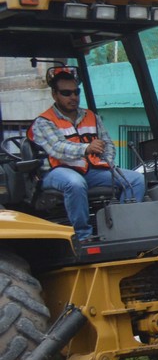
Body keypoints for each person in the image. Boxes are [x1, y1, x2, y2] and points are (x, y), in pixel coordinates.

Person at [30, 67, 146, 241]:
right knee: (75, 183)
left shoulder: (91, 116)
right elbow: (57, 149)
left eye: (76, 92)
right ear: (55, 94)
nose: (73, 97)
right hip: (57, 171)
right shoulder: (44, 121)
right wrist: (86, 148)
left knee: (136, 180)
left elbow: (107, 144)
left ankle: (122, 230)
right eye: (66, 93)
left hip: (90, 170)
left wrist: (107, 161)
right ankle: (83, 236)